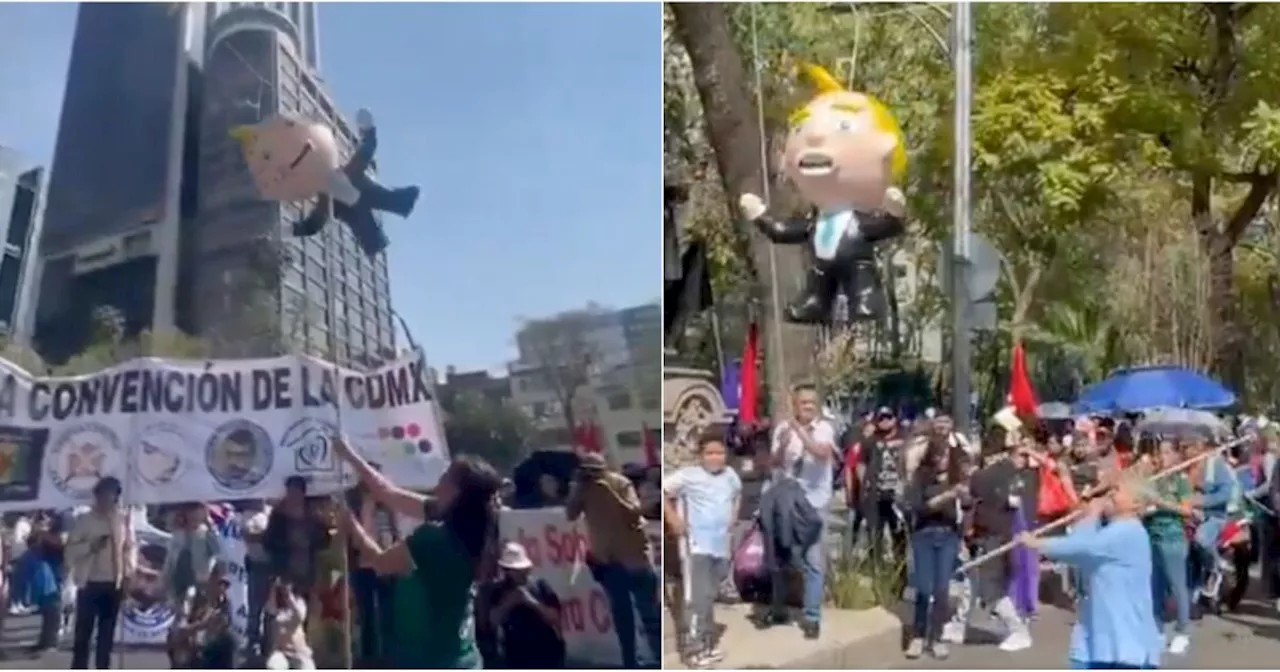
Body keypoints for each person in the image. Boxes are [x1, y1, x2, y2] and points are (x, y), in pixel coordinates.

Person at [334, 436, 499, 669]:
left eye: (446, 476)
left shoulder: (433, 539)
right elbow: (388, 492)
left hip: (430, 659)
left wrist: (350, 525)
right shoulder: (470, 529)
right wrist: (350, 455)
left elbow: (379, 562)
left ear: (457, 492)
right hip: (465, 657)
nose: (439, 480)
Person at [1020, 474, 1163, 669]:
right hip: (1102, 625)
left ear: (1136, 504)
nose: (1110, 495)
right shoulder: (1112, 530)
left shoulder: (1128, 531)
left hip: (1123, 632)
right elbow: (1084, 549)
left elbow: (1082, 548)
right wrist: (1089, 519)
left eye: (1117, 490)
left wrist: (1037, 543)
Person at [566, 452, 660, 667]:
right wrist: (577, 491)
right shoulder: (581, 488)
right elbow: (570, 514)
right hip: (608, 562)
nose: (591, 476)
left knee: (650, 615)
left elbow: (634, 513)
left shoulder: (620, 483)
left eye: (594, 471)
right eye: (586, 471)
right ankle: (630, 663)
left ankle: (658, 659)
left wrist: (609, 493)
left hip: (635, 559)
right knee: (622, 617)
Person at [663, 431, 742, 668]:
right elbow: (665, 492)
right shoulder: (688, 476)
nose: (715, 458)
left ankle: (707, 645)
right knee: (695, 599)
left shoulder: (730, 476)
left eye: (719, 453)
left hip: (720, 547)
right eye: (709, 453)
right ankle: (693, 651)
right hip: (696, 546)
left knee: (708, 598)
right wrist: (674, 520)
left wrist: (733, 517)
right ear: (700, 455)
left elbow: (737, 495)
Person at [765, 384, 837, 639]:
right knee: (781, 556)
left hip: (814, 502)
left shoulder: (825, 428)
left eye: (812, 403)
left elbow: (821, 454)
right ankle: (779, 608)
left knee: (814, 561)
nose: (807, 407)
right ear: (794, 405)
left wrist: (801, 433)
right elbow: (773, 463)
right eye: (803, 402)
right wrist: (784, 444)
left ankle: (812, 616)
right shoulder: (783, 429)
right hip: (788, 501)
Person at [968, 427, 1038, 653]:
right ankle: (1009, 626)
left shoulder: (1009, 473)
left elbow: (976, 486)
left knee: (990, 589)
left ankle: (1018, 630)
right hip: (990, 534)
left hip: (999, 537)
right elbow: (976, 491)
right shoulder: (997, 472)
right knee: (983, 585)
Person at [904, 437, 970, 660]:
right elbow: (920, 509)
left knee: (942, 589)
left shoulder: (956, 478)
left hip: (948, 536)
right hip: (924, 535)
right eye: (937, 456)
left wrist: (965, 495)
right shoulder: (921, 478)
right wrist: (947, 496)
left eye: (945, 456)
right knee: (923, 588)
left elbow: (969, 504)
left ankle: (938, 637)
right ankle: (918, 636)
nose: (942, 460)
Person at [66, 476, 135, 670]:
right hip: (89, 583)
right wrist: (91, 546)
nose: (107, 499)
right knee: (83, 637)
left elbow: (129, 548)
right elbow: (70, 551)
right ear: (97, 496)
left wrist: (128, 573)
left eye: (112, 495)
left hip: (113, 584)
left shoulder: (122, 520)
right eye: (103, 495)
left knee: (106, 638)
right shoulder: (85, 520)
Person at [1144, 438, 1194, 656]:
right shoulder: (1153, 479)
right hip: (1152, 536)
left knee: (1177, 586)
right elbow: (1143, 508)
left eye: (1166, 452)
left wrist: (1162, 503)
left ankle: (1182, 632)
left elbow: (1186, 510)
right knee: (1155, 586)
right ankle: (1157, 629)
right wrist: (1146, 508)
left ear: (1175, 455)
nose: (1161, 457)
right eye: (1159, 452)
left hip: (1173, 538)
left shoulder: (1181, 480)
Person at [481, 541, 566, 669]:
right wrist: (509, 603)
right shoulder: (498, 591)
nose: (515, 574)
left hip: (545, 653)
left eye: (518, 570)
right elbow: (492, 622)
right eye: (511, 570)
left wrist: (530, 602)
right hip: (515, 657)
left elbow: (556, 618)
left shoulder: (540, 586)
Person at [348, 472, 401, 667]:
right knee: (366, 612)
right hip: (362, 565)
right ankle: (369, 656)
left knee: (388, 610)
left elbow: (395, 533)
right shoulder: (354, 504)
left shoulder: (387, 505)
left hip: (385, 563)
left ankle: (390, 653)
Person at [856, 407, 908, 595]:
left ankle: (900, 582)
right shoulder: (870, 441)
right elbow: (861, 463)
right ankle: (878, 581)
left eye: (889, 417)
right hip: (875, 498)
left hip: (897, 498)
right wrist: (865, 484)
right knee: (875, 539)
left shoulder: (905, 439)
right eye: (881, 418)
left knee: (899, 540)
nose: (885, 421)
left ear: (895, 419)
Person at [264, 477, 331, 603]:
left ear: (302, 493)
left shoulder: (312, 517)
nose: (292, 496)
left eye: (295, 492)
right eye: (290, 491)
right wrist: (288, 545)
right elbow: (268, 543)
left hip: (308, 576)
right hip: (285, 576)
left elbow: (325, 541)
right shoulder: (278, 517)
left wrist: (312, 539)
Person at [162, 504, 221, 610]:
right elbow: (170, 556)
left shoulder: (205, 532)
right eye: (190, 511)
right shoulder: (178, 532)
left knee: (196, 605)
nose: (193, 515)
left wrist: (211, 526)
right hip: (177, 577)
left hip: (199, 580)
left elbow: (218, 549)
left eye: (196, 511)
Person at [25, 519, 65, 658]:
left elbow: (63, 545)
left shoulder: (62, 525)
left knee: (53, 607)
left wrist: (44, 535)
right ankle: (44, 641)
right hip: (45, 570)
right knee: (46, 608)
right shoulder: (44, 530)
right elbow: (31, 543)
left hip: (56, 571)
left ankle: (51, 643)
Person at [264, 578, 315, 670]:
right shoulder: (275, 606)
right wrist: (274, 589)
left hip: (300, 653)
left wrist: (289, 596)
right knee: (273, 666)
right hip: (281, 652)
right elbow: (271, 612)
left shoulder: (299, 602)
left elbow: (299, 616)